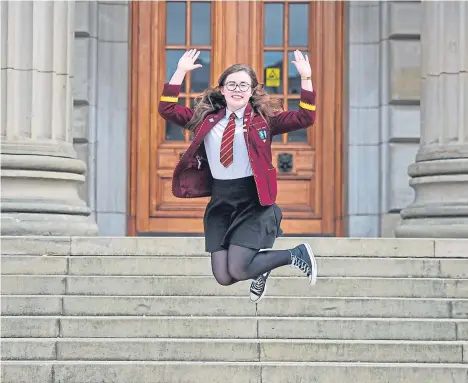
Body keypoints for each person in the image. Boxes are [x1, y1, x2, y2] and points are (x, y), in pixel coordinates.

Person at [158, 49, 318, 303]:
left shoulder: (264, 120)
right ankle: (261, 267)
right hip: (221, 202)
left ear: (252, 90)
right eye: (231, 84)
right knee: (224, 276)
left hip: (253, 201)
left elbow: (305, 117)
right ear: (222, 89)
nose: (237, 89)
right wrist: (180, 72)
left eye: (244, 85)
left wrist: (306, 78)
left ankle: (294, 254)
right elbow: (167, 109)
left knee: (239, 268)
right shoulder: (205, 119)